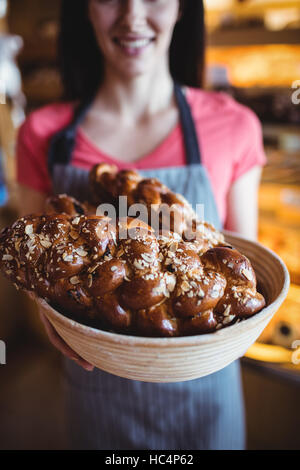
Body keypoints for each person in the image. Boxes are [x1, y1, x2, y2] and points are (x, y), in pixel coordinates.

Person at [16, 0, 266, 450]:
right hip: (96, 392)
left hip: (207, 395)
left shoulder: (235, 126)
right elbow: (33, 273)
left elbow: (249, 278)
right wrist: (53, 310)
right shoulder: (42, 133)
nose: (132, 15)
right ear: (86, 9)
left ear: (183, 8)